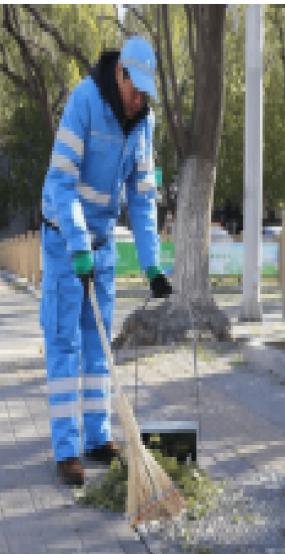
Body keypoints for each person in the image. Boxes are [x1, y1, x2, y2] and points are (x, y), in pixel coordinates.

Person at [40, 36, 172, 486]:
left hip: (101, 244)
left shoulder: (143, 124)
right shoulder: (85, 101)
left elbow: (143, 198)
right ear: (120, 74)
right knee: (65, 343)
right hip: (64, 239)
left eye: (147, 94)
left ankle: (97, 439)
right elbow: (61, 183)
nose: (139, 100)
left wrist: (153, 266)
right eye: (136, 90)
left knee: (99, 343)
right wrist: (77, 245)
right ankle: (67, 450)